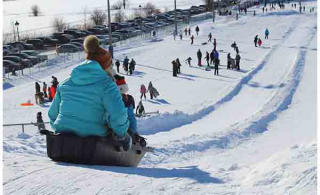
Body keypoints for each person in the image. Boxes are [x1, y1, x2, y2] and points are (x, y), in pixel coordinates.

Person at [48, 35, 132, 151]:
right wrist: (122, 134)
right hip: (93, 141)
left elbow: (52, 114)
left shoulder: (65, 84)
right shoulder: (107, 86)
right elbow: (119, 115)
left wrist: (60, 127)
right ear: (105, 67)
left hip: (63, 139)